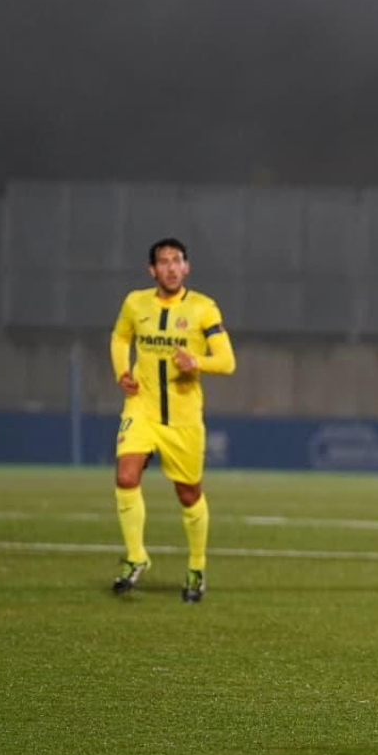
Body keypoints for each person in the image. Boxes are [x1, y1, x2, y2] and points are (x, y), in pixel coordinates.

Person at [110, 238, 237, 602]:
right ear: (152, 270)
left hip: (183, 418)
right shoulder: (136, 303)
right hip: (142, 408)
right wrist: (122, 371)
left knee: (188, 494)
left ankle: (196, 567)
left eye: (176, 261)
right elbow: (120, 337)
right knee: (125, 475)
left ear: (187, 267)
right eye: (163, 262)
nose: (170, 267)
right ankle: (135, 557)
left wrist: (196, 362)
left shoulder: (203, 309)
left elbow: (227, 361)